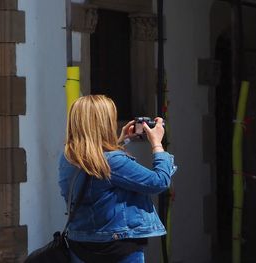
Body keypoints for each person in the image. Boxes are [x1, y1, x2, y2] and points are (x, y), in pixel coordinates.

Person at [58, 95, 177, 263]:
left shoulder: (68, 158)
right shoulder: (112, 161)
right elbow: (159, 182)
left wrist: (122, 140)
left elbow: (98, 168)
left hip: (80, 245)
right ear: (104, 123)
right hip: (118, 249)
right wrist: (157, 144)